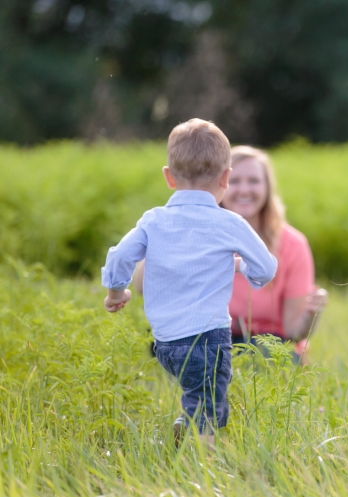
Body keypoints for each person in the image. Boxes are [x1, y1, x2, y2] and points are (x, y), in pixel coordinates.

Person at [101, 119, 277, 449]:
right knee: (210, 408)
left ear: (169, 176)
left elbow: (119, 256)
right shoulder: (229, 223)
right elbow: (266, 268)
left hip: (165, 344)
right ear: (226, 178)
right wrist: (247, 271)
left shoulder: (153, 220)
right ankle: (202, 473)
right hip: (208, 339)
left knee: (208, 398)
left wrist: (116, 292)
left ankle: (188, 424)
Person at [219, 146, 327, 364]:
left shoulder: (293, 245)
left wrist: (311, 316)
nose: (244, 189)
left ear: (268, 188)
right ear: (220, 186)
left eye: (254, 181)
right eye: (235, 180)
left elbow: (293, 332)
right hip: (218, 341)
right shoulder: (203, 238)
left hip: (273, 346)